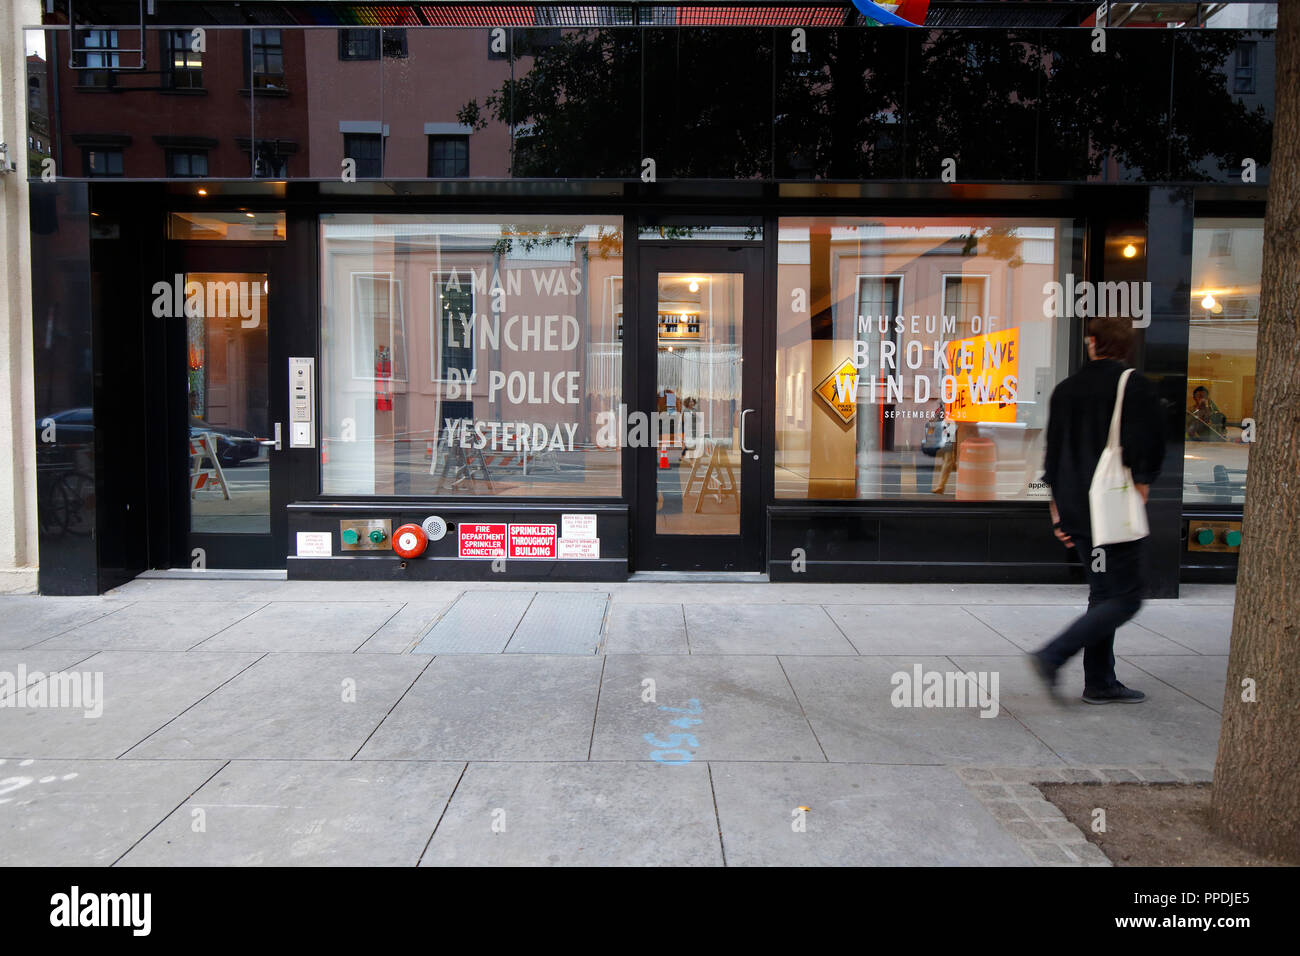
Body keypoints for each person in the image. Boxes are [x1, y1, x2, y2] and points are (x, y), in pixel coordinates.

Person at [1029, 316, 1166, 704]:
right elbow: (1148, 451)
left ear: (1091, 343)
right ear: (1127, 347)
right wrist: (1138, 497)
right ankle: (1053, 655)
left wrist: (1057, 513)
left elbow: (1051, 458)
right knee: (1127, 597)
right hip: (1113, 515)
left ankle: (1100, 681)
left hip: (1077, 512)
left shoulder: (1065, 390)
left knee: (1104, 592)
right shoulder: (1136, 386)